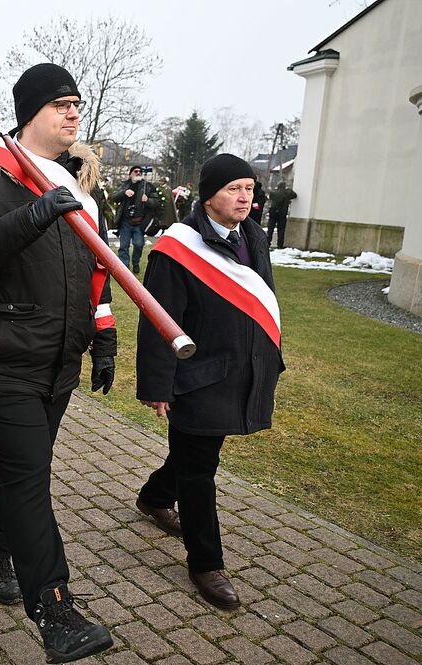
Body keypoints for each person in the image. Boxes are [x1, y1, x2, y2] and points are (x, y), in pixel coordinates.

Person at [0, 63, 116, 663]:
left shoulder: (76, 192)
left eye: (77, 103)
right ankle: (56, 607)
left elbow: (96, 277)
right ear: (29, 113)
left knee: (26, 471)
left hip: (57, 363)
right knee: (29, 478)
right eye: (60, 104)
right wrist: (37, 212)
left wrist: (104, 339)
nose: (73, 113)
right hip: (0, 359)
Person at [135, 153, 284, 612]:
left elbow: (262, 301)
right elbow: (158, 320)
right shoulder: (176, 248)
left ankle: (155, 496)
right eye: (234, 189)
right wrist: (158, 386)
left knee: (197, 455)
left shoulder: (254, 235)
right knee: (200, 469)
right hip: (195, 377)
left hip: (239, 371)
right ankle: (206, 562)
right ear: (208, 194)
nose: (245, 198)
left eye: (249, 189)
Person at [112, 165, 160, 273]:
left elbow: (156, 202)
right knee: (123, 246)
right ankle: (124, 268)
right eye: (135, 171)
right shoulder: (124, 185)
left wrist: (148, 200)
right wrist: (124, 193)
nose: (138, 173)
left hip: (140, 222)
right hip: (125, 221)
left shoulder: (148, 186)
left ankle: (136, 262)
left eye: (140, 171)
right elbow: (114, 197)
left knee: (138, 245)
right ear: (130, 174)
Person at [266, 180, 297, 248]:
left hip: (273, 213)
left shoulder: (273, 192)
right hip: (282, 214)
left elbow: (269, 197)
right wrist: (289, 189)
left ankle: (267, 242)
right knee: (281, 230)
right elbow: (294, 195)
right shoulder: (287, 193)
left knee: (270, 229)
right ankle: (280, 244)